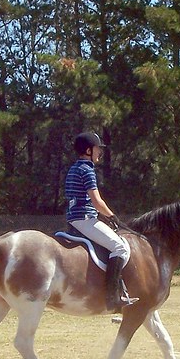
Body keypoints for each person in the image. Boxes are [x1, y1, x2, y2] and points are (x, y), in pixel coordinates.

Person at [65, 132, 138, 310]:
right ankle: (113, 296)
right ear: (88, 150)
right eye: (98, 149)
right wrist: (112, 217)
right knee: (119, 247)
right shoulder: (87, 170)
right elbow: (97, 202)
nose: (100, 152)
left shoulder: (74, 168)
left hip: (73, 219)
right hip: (85, 219)